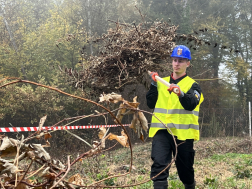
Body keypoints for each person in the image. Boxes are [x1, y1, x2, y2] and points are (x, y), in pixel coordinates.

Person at [146, 45, 204, 189]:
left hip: (183, 135)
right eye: (175, 60)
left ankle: (189, 185)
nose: (177, 63)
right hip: (162, 131)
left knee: (185, 171)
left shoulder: (193, 85)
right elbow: (150, 103)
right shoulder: (160, 82)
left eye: (181, 61)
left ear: (187, 63)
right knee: (159, 166)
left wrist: (180, 94)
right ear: (171, 61)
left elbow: (191, 103)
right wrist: (153, 84)